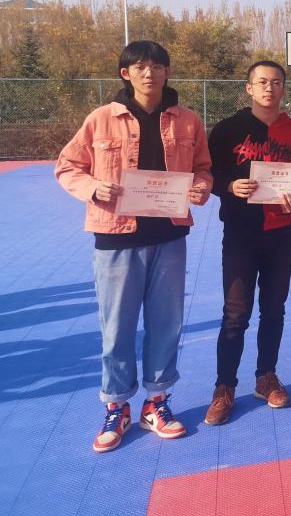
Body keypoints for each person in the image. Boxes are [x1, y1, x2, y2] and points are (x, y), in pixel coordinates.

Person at [55, 40, 212, 452]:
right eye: (140, 66)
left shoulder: (187, 120)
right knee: (117, 328)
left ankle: (156, 403)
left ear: (167, 72)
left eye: (157, 66)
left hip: (169, 237)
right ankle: (117, 406)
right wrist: (93, 187)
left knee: (166, 324)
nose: (149, 73)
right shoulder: (101, 119)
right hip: (115, 237)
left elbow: (203, 169)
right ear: (126, 73)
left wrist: (200, 187)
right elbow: (68, 166)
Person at [204, 60, 291, 425]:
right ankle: (224, 387)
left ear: (284, 88)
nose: (269, 88)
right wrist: (229, 185)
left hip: (281, 234)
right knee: (235, 314)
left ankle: (266, 377)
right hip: (240, 233)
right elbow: (208, 173)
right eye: (262, 82)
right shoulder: (227, 130)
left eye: (276, 82)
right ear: (249, 88)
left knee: (274, 309)